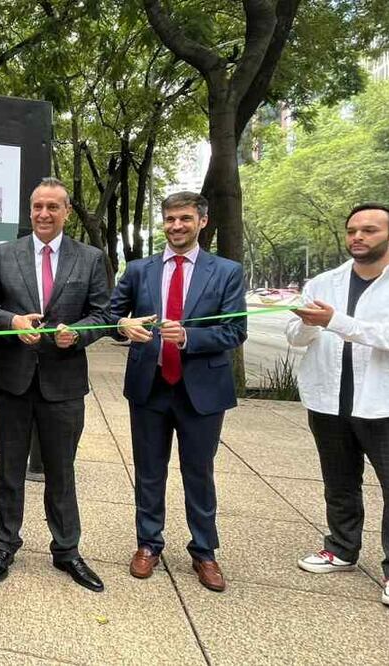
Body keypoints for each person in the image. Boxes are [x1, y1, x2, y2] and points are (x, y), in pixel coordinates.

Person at [0, 178, 111, 592]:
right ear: (30, 210)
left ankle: (67, 550)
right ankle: (4, 544)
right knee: (9, 468)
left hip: (64, 382)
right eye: (37, 206)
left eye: (53, 206)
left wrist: (79, 333)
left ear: (67, 212)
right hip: (14, 380)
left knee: (62, 471)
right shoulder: (6, 254)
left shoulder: (89, 258)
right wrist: (12, 322)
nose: (44, 214)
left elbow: (102, 314)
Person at [108, 191, 246, 592]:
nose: (176, 226)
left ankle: (204, 551)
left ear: (202, 221)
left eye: (185, 218)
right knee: (149, 472)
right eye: (169, 219)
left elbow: (236, 330)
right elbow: (112, 315)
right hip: (149, 387)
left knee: (198, 473)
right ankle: (148, 544)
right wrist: (122, 326)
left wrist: (189, 337)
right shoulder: (138, 270)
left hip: (201, 390)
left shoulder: (226, 271)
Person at [286, 203, 389, 610]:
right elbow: (296, 337)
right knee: (339, 481)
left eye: (369, 230)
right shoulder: (324, 281)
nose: (358, 237)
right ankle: (341, 548)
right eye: (352, 230)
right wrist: (304, 322)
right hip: (329, 399)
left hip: (387, 403)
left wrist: (335, 321)